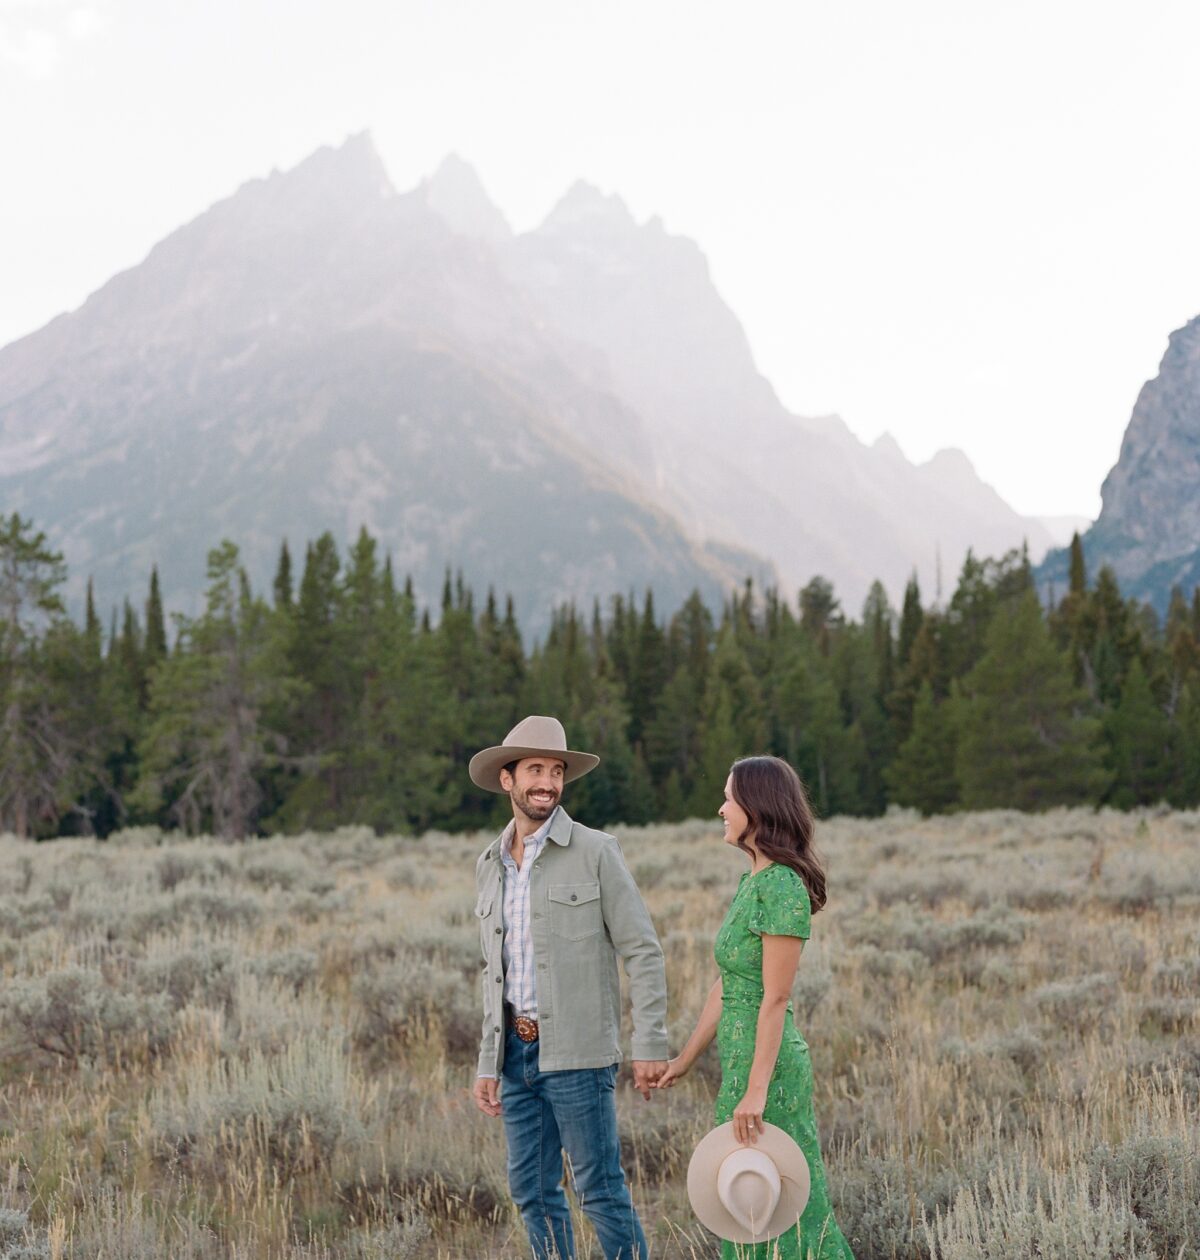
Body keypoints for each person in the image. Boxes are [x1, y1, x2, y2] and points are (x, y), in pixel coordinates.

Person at [470, 714, 669, 1260]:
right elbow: (495, 972)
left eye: (557, 771)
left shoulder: (596, 851)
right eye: (535, 769)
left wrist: (651, 1042)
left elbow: (643, 950)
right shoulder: (488, 865)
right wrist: (489, 1060)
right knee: (532, 1193)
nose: (548, 783)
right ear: (507, 779)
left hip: (580, 1056)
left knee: (600, 1192)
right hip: (516, 1055)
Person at [656, 756, 855, 1260]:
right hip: (744, 1065)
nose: (721, 808)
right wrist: (685, 1060)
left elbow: (776, 997)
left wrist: (757, 1090)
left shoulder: (782, 884)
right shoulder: (752, 883)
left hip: (771, 1073)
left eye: (729, 798)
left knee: (786, 1202)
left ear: (757, 806)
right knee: (748, 1202)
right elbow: (729, 985)